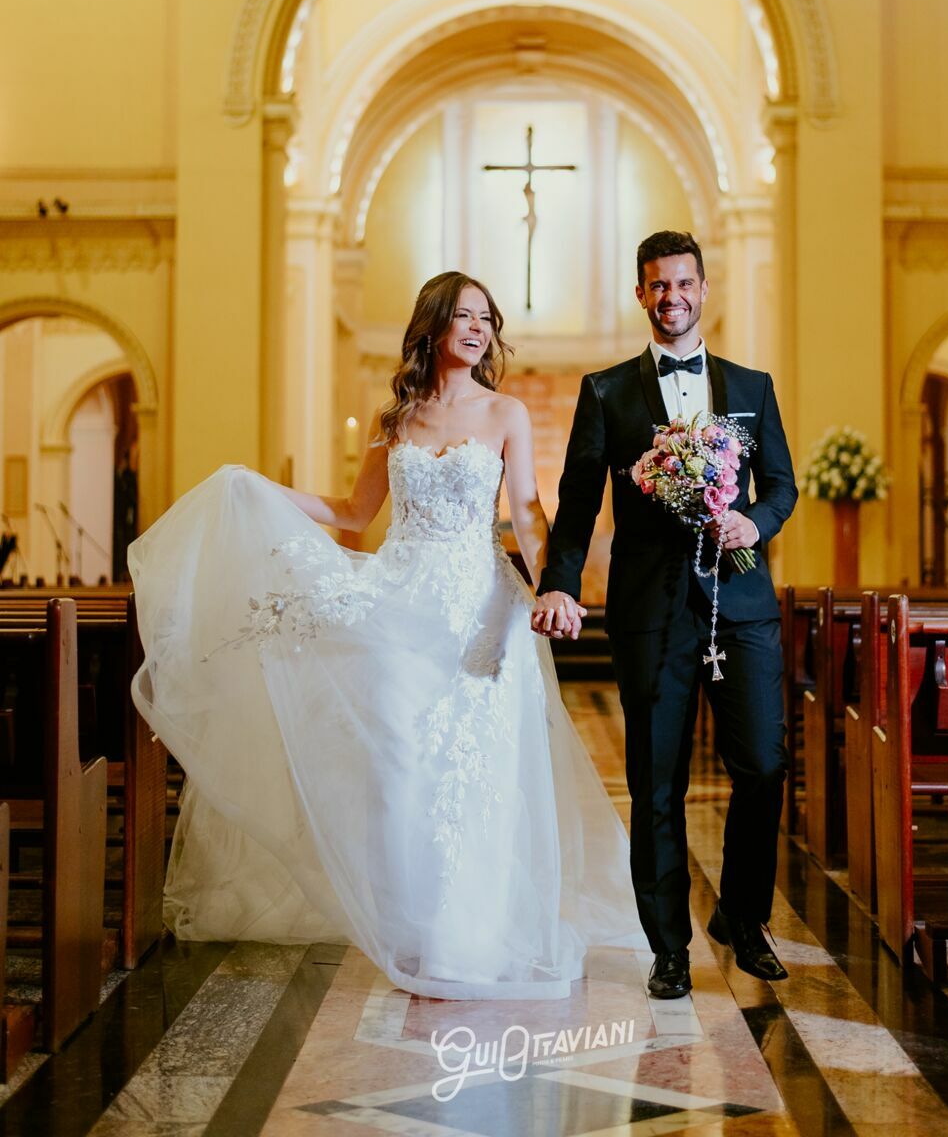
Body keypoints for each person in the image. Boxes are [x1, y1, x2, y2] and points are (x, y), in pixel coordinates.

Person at [129, 270, 645, 1000]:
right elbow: (350, 512)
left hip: (478, 610)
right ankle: (412, 924)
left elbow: (527, 512)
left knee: (479, 769)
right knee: (402, 768)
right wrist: (259, 489)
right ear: (431, 327)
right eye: (463, 316)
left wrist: (554, 586)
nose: (477, 329)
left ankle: (467, 933)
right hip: (398, 608)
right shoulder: (396, 418)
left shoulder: (506, 413)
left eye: (486, 319)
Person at [533, 229, 797, 998]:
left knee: (763, 765)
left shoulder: (751, 387)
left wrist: (755, 522)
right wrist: (558, 582)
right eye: (656, 286)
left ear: (703, 289)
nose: (670, 298)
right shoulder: (607, 392)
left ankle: (743, 919)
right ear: (640, 293)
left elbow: (779, 484)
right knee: (656, 782)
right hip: (650, 609)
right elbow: (577, 502)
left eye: (683, 284)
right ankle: (668, 947)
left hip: (740, 599)